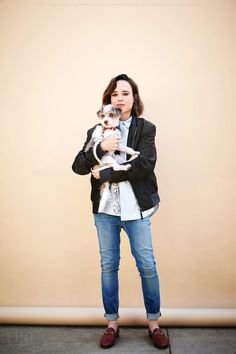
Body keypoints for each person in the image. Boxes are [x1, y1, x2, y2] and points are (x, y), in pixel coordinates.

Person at [72, 74, 169, 350]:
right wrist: (100, 149)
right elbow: (78, 166)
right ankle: (112, 324)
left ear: (133, 98)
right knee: (108, 266)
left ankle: (154, 324)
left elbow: (145, 165)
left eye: (125, 93)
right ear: (108, 100)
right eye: (114, 94)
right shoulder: (96, 130)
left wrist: (103, 175)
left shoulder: (146, 128)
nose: (120, 98)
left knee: (147, 265)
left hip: (136, 208)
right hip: (105, 211)